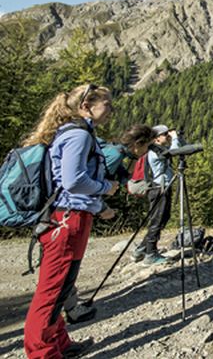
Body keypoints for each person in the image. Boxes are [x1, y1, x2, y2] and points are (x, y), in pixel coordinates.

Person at [22, 84, 119, 359]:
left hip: (72, 217)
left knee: (63, 285)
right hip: (67, 220)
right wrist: (105, 187)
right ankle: (42, 353)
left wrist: (98, 205)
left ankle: (59, 343)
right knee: (51, 291)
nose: (111, 110)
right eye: (107, 104)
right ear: (87, 105)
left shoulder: (76, 132)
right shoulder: (79, 135)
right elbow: (73, 180)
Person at [62, 124, 156, 325]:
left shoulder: (116, 152)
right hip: (76, 212)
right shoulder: (114, 156)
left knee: (68, 265)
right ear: (138, 145)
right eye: (147, 146)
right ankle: (69, 309)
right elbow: (90, 184)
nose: (147, 152)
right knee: (68, 265)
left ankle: (69, 306)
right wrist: (102, 207)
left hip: (73, 211)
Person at [133, 125, 182, 265]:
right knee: (157, 220)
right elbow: (174, 152)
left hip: (160, 188)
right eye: (165, 134)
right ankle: (150, 254)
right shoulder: (155, 151)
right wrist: (176, 138)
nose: (167, 136)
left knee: (162, 218)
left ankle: (142, 248)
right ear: (157, 138)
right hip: (159, 189)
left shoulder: (156, 149)